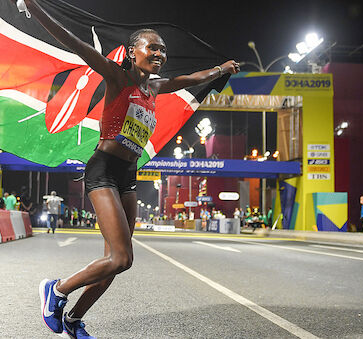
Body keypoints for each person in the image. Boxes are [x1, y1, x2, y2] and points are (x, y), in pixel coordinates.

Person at [17, 1, 240, 337]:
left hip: (128, 176)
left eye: (163, 50)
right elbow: (71, 41)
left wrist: (221, 69)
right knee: (122, 258)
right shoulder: (116, 77)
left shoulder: (154, 87)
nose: (160, 54)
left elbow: (194, 78)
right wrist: (33, 6)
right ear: (133, 52)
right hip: (103, 170)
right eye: (153, 47)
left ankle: (75, 319)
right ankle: (57, 288)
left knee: (115, 263)